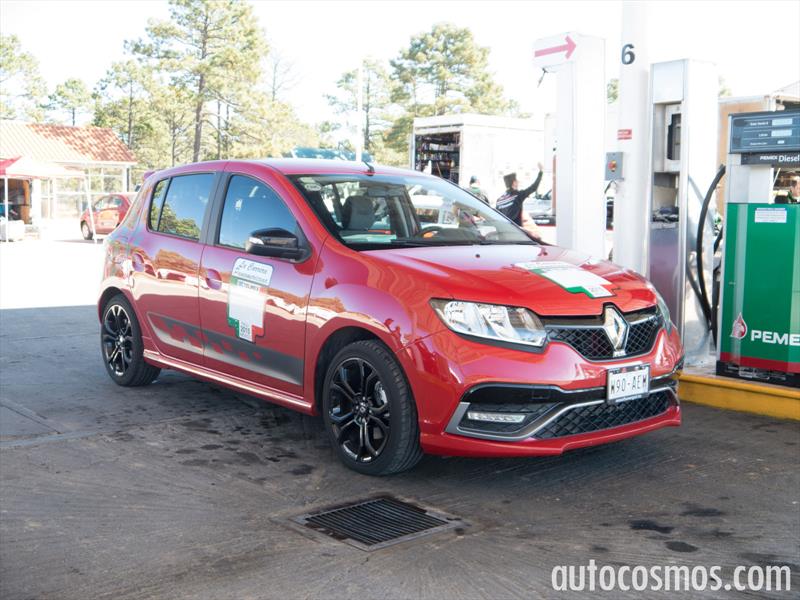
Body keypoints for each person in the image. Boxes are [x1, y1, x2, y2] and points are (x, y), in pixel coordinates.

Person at [496, 163, 544, 239]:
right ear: (514, 183)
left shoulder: (499, 200)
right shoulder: (517, 196)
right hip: (516, 233)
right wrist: (541, 172)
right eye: (517, 181)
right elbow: (534, 187)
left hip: (503, 234)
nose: (518, 182)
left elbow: (497, 217)